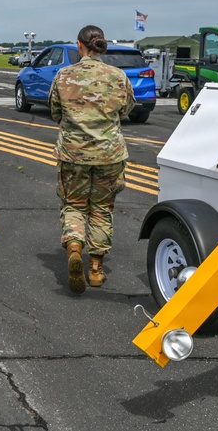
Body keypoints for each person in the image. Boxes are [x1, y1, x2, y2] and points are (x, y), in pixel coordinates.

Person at [49, 25, 135, 294]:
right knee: (101, 208)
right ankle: (96, 268)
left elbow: (54, 112)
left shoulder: (64, 76)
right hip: (109, 155)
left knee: (73, 205)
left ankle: (74, 246)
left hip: (73, 153)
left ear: (79, 45)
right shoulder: (118, 76)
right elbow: (126, 109)